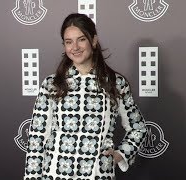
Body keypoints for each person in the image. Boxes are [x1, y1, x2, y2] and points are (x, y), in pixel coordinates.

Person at [23, 13, 147, 180]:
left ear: (94, 40)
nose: (75, 47)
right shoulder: (52, 84)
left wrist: (119, 155)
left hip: (97, 174)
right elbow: (37, 139)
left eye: (81, 39)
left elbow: (138, 128)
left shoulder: (115, 83)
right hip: (55, 174)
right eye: (68, 42)